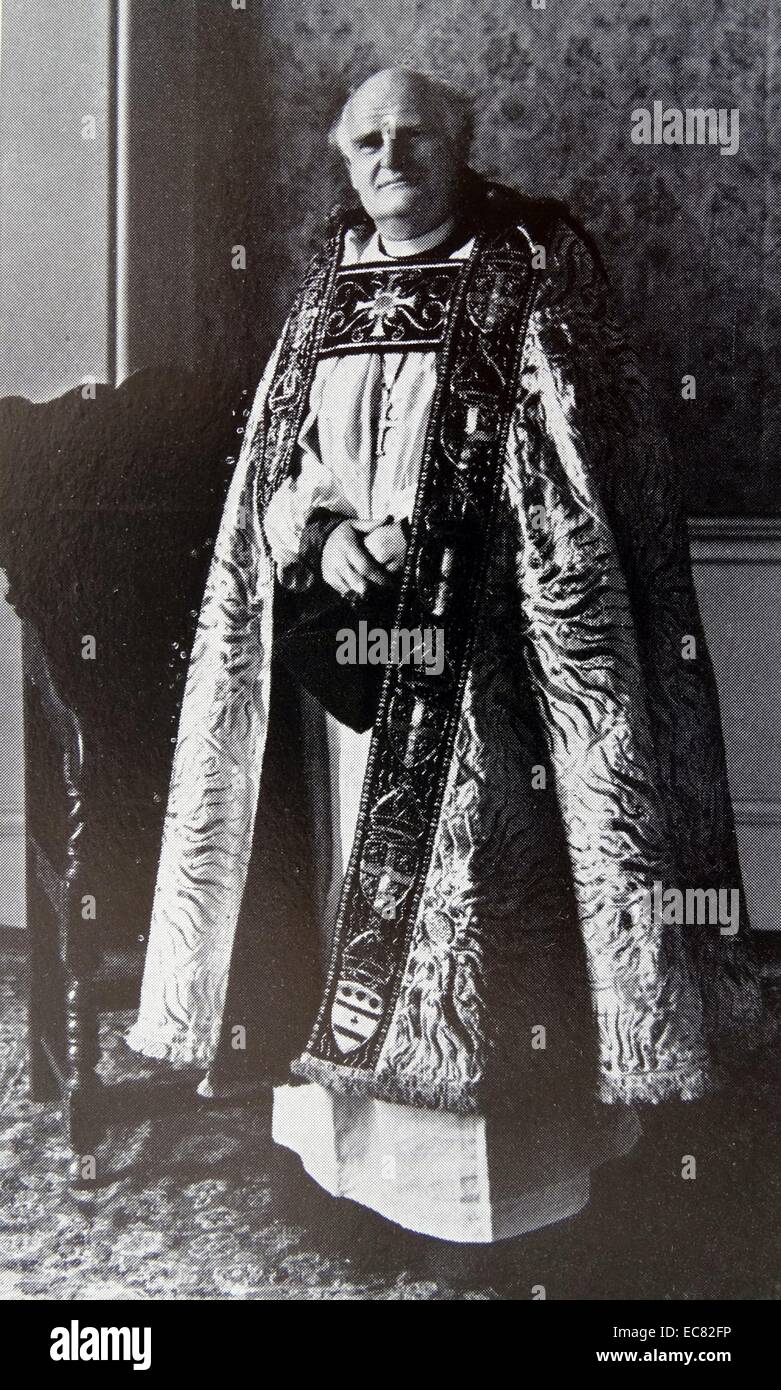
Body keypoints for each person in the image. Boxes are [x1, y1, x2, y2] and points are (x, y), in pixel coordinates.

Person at [126, 67, 767, 1270]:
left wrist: (436, 540)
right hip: (346, 681)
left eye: (413, 135)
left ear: (458, 146)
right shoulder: (326, 286)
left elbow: (581, 487)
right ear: (342, 157)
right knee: (336, 904)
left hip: (495, 680)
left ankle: (492, 1210)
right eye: (365, 140)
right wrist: (329, 536)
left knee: (472, 914)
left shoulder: (531, 272)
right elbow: (279, 469)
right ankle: (350, 1182)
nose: (388, 157)